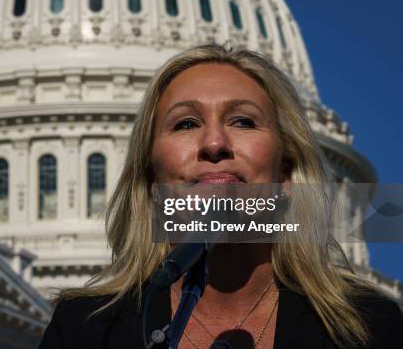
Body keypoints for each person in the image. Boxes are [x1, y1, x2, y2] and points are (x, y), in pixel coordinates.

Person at [38, 44, 403, 348]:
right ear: (152, 181)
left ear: (287, 173)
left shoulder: (368, 330)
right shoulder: (85, 333)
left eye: (243, 121)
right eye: (185, 123)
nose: (214, 144)